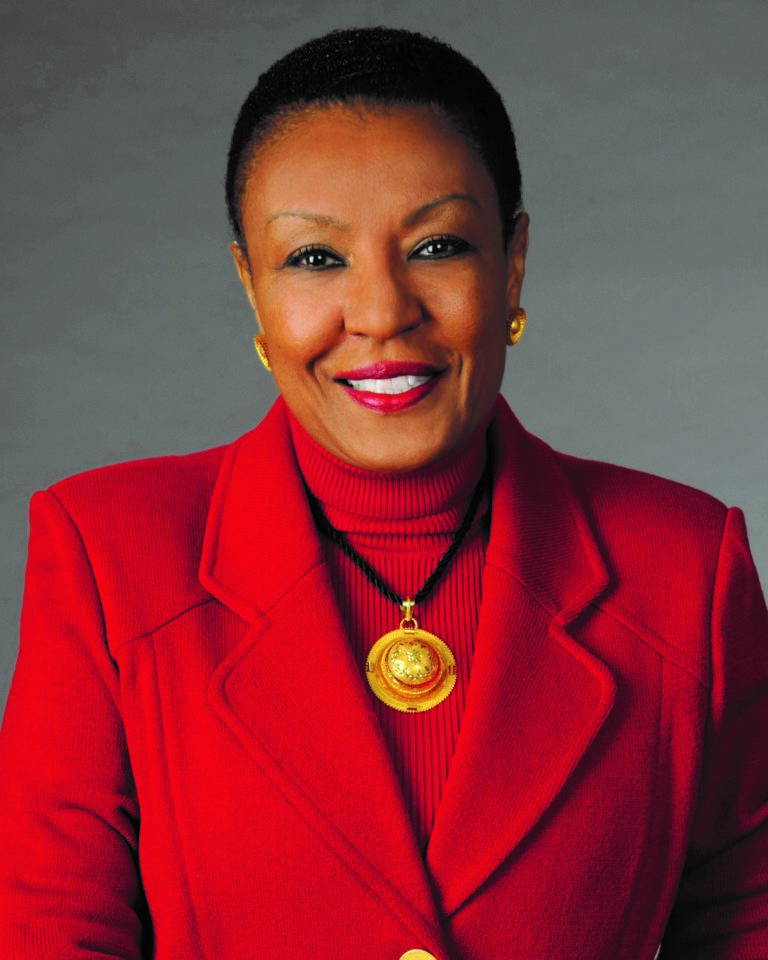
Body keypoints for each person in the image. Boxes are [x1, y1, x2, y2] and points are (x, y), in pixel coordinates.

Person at [0, 25, 766, 960]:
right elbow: (48, 933)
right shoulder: (108, 555)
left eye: (439, 245)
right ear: (250, 283)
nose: (381, 312)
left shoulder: (685, 568)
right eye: (315, 259)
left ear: (513, 262)